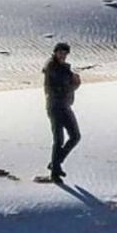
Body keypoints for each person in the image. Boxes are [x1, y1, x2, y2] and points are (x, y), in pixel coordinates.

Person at [43, 42, 81, 183]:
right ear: (55, 52)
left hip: (65, 106)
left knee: (75, 136)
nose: (63, 55)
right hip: (55, 107)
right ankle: (55, 172)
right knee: (59, 139)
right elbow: (60, 88)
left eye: (65, 53)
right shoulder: (52, 68)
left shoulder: (63, 69)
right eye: (60, 52)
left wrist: (74, 83)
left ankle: (55, 163)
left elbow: (68, 87)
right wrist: (74, 83)